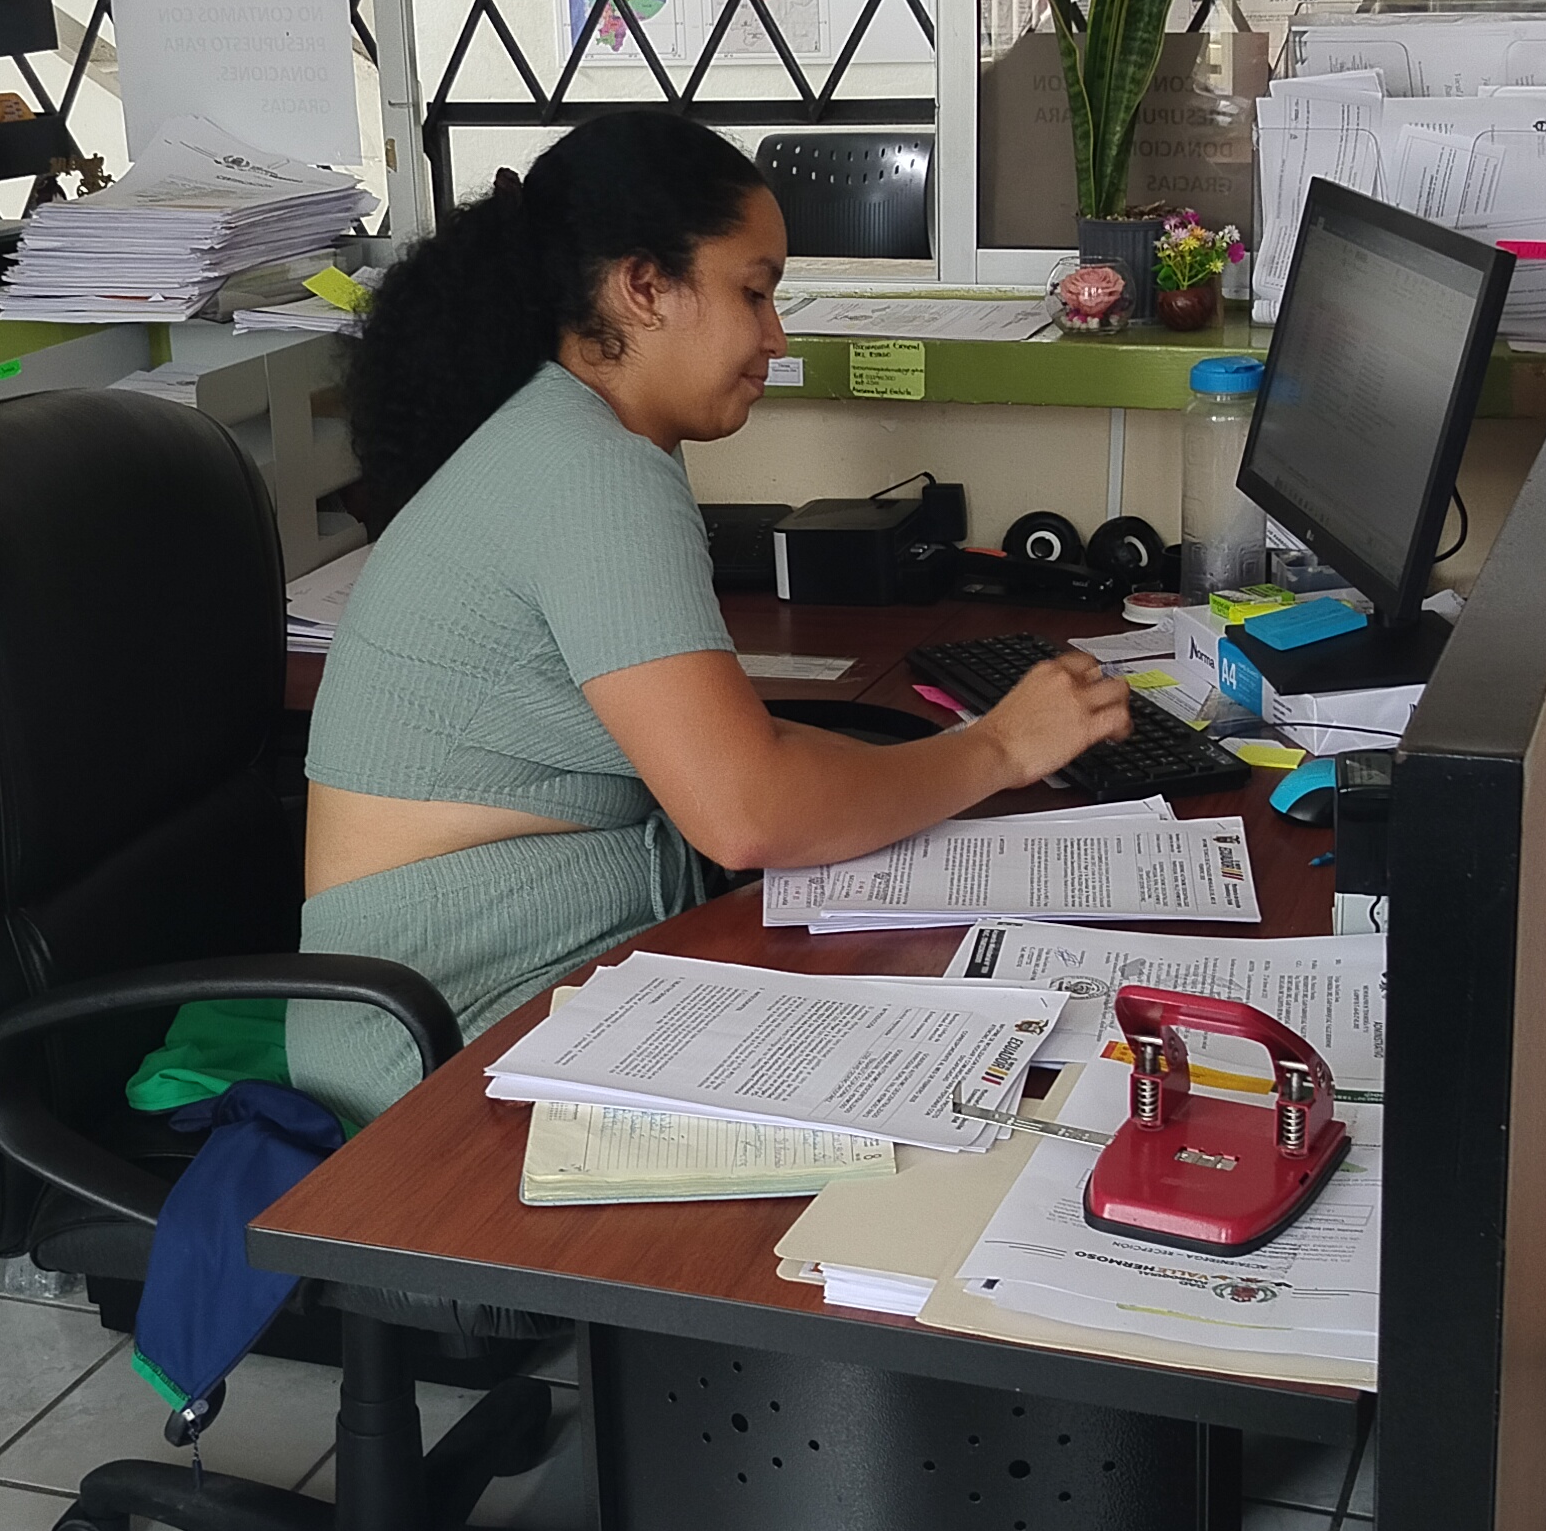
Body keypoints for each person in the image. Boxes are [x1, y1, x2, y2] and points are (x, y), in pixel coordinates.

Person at [292, 111, 1133, 1122]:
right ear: (644, 288)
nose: (776, 336)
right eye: (753, 292)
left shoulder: (565, 435)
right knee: (954, 1083)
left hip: (490, 997)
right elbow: (747, 813)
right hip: (440, 1051)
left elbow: (737, 759)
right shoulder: (591, 470)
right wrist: (995, 750)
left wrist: (952, 761)